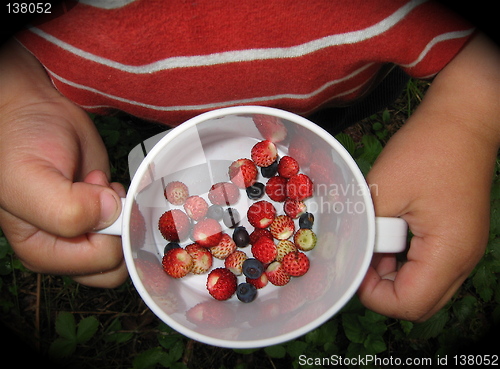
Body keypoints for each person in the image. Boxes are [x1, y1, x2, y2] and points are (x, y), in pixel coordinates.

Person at [0, 0, 498, 322]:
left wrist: (469, 112)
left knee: (321, 130)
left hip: (332, 95)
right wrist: (18, 93)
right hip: (142, 107)